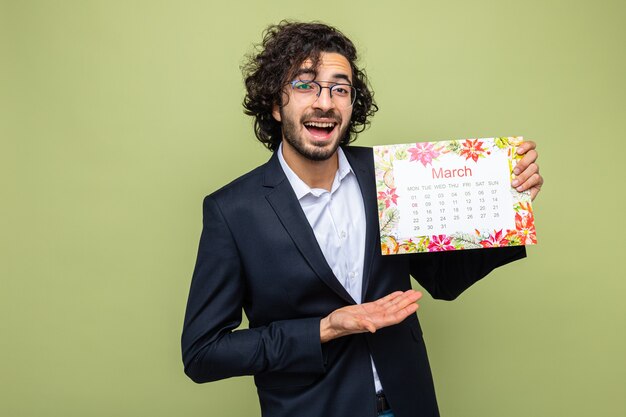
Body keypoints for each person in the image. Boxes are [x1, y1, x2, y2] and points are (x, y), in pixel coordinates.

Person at [181, 21, 543, 417]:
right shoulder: (233, 211)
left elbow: (444, 279)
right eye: (305, 85)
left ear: (352, 104)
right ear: (274, 102)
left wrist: (507, 205)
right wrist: (325, 328)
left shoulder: (391, 175)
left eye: (340, 88)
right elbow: (203, 352)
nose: (325, 102)